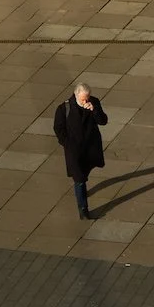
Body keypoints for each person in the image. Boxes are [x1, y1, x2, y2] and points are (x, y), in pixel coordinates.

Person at [54, 83, 107, 220]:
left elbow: (103, 121)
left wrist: (94, 110)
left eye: (87, 98)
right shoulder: (64, 108)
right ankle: (83, 209)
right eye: (83, 98)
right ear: (76, 95)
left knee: (86, 171)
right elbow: (58, 128)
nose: (86, 101)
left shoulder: (93, 102)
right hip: (74, 150)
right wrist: (67, 144)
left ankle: (81, 191)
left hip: (90, 147)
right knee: (80, 179)